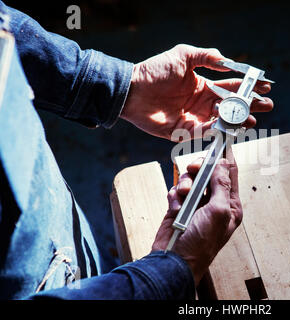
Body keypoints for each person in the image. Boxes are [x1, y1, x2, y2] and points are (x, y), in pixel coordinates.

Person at [0, 1, 273, 299]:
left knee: (89, 261)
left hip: (56, 218)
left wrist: (123, 86)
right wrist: (170, 274)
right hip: (35, 282)